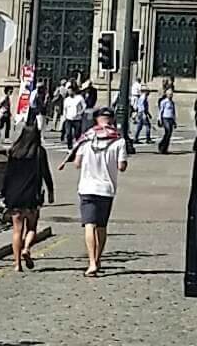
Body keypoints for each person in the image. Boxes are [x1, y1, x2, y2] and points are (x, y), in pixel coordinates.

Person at [69, 105, 128, 276]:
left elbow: (77, 163)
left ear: (96, 119)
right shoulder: (119, 140)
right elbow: (121, 166)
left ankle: (92, 262)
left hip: (87, 187)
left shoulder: (87, 138)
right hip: (107, 188)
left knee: (89, 225)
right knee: (101, 226)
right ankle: (98, 257)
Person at [1, 118, 53, 273]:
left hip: (14, 195)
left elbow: (7, 174)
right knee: (31, 228)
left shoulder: (14, 151)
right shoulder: (39, 152)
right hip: (31, 195)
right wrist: (50, 191)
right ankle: (27, 248)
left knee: (17, 230)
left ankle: (17, 264)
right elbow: (46, 173)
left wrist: (4, 192)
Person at [59, 83, 88, 163]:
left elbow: (84, 106)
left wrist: (81, 112)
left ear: (73, 91)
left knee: (77, 134)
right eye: (68, 91)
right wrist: (64, 117)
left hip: (77, 119)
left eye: (70, 90)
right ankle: (69, 148)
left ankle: (77, 148)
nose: (69, 92)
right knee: (68, 134)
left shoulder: (79, 98)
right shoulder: (67, 100)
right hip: (68, 119)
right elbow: (64, 109)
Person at [157, 88, 178, 154]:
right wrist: (159, 119)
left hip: (170, 118)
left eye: (171, 94)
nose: (171, 96)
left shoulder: (172, 102)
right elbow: (161, 111)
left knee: (169, 134)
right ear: (167, 95)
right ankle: (162, 146)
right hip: (165, 118)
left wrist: (174, 121)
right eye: (169, 94)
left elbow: (173, 112)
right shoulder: (164, 102)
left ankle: (165, 148)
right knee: (168, 132)